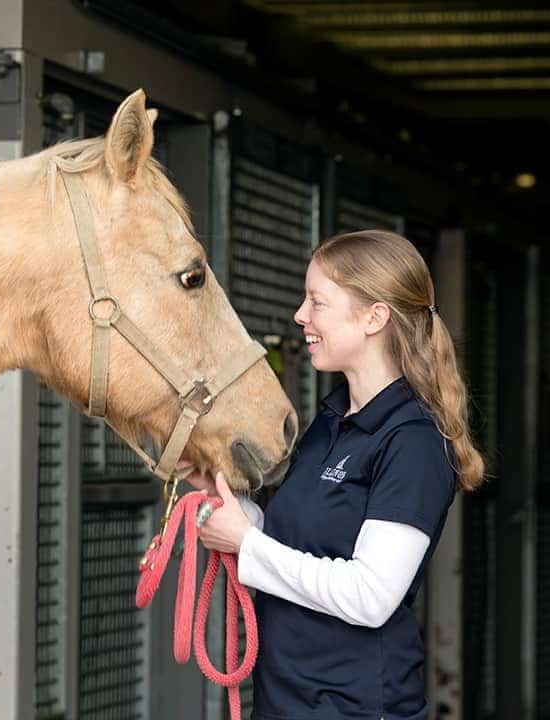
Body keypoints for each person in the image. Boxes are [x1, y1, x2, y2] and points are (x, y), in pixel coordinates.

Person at [191, 229, 485, 720]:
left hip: (355, 706)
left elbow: (370, 596)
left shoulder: (412, 441)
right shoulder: (331, 424)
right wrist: (229, 508)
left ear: (375, 317)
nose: (300, 316)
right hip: (287, 700)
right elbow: (295, 549)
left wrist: (249, 545)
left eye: (317, 302)